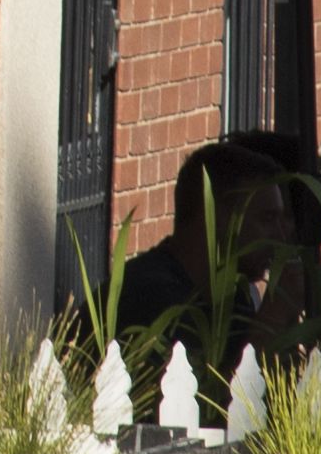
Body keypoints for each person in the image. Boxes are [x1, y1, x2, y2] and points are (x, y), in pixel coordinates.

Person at [109, 140, 302, 354]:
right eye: (267, 219)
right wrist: (273, 319)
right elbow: (218, 386)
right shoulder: (150, 299)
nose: (281, 237)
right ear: (215, 217)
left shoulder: (234, 298)